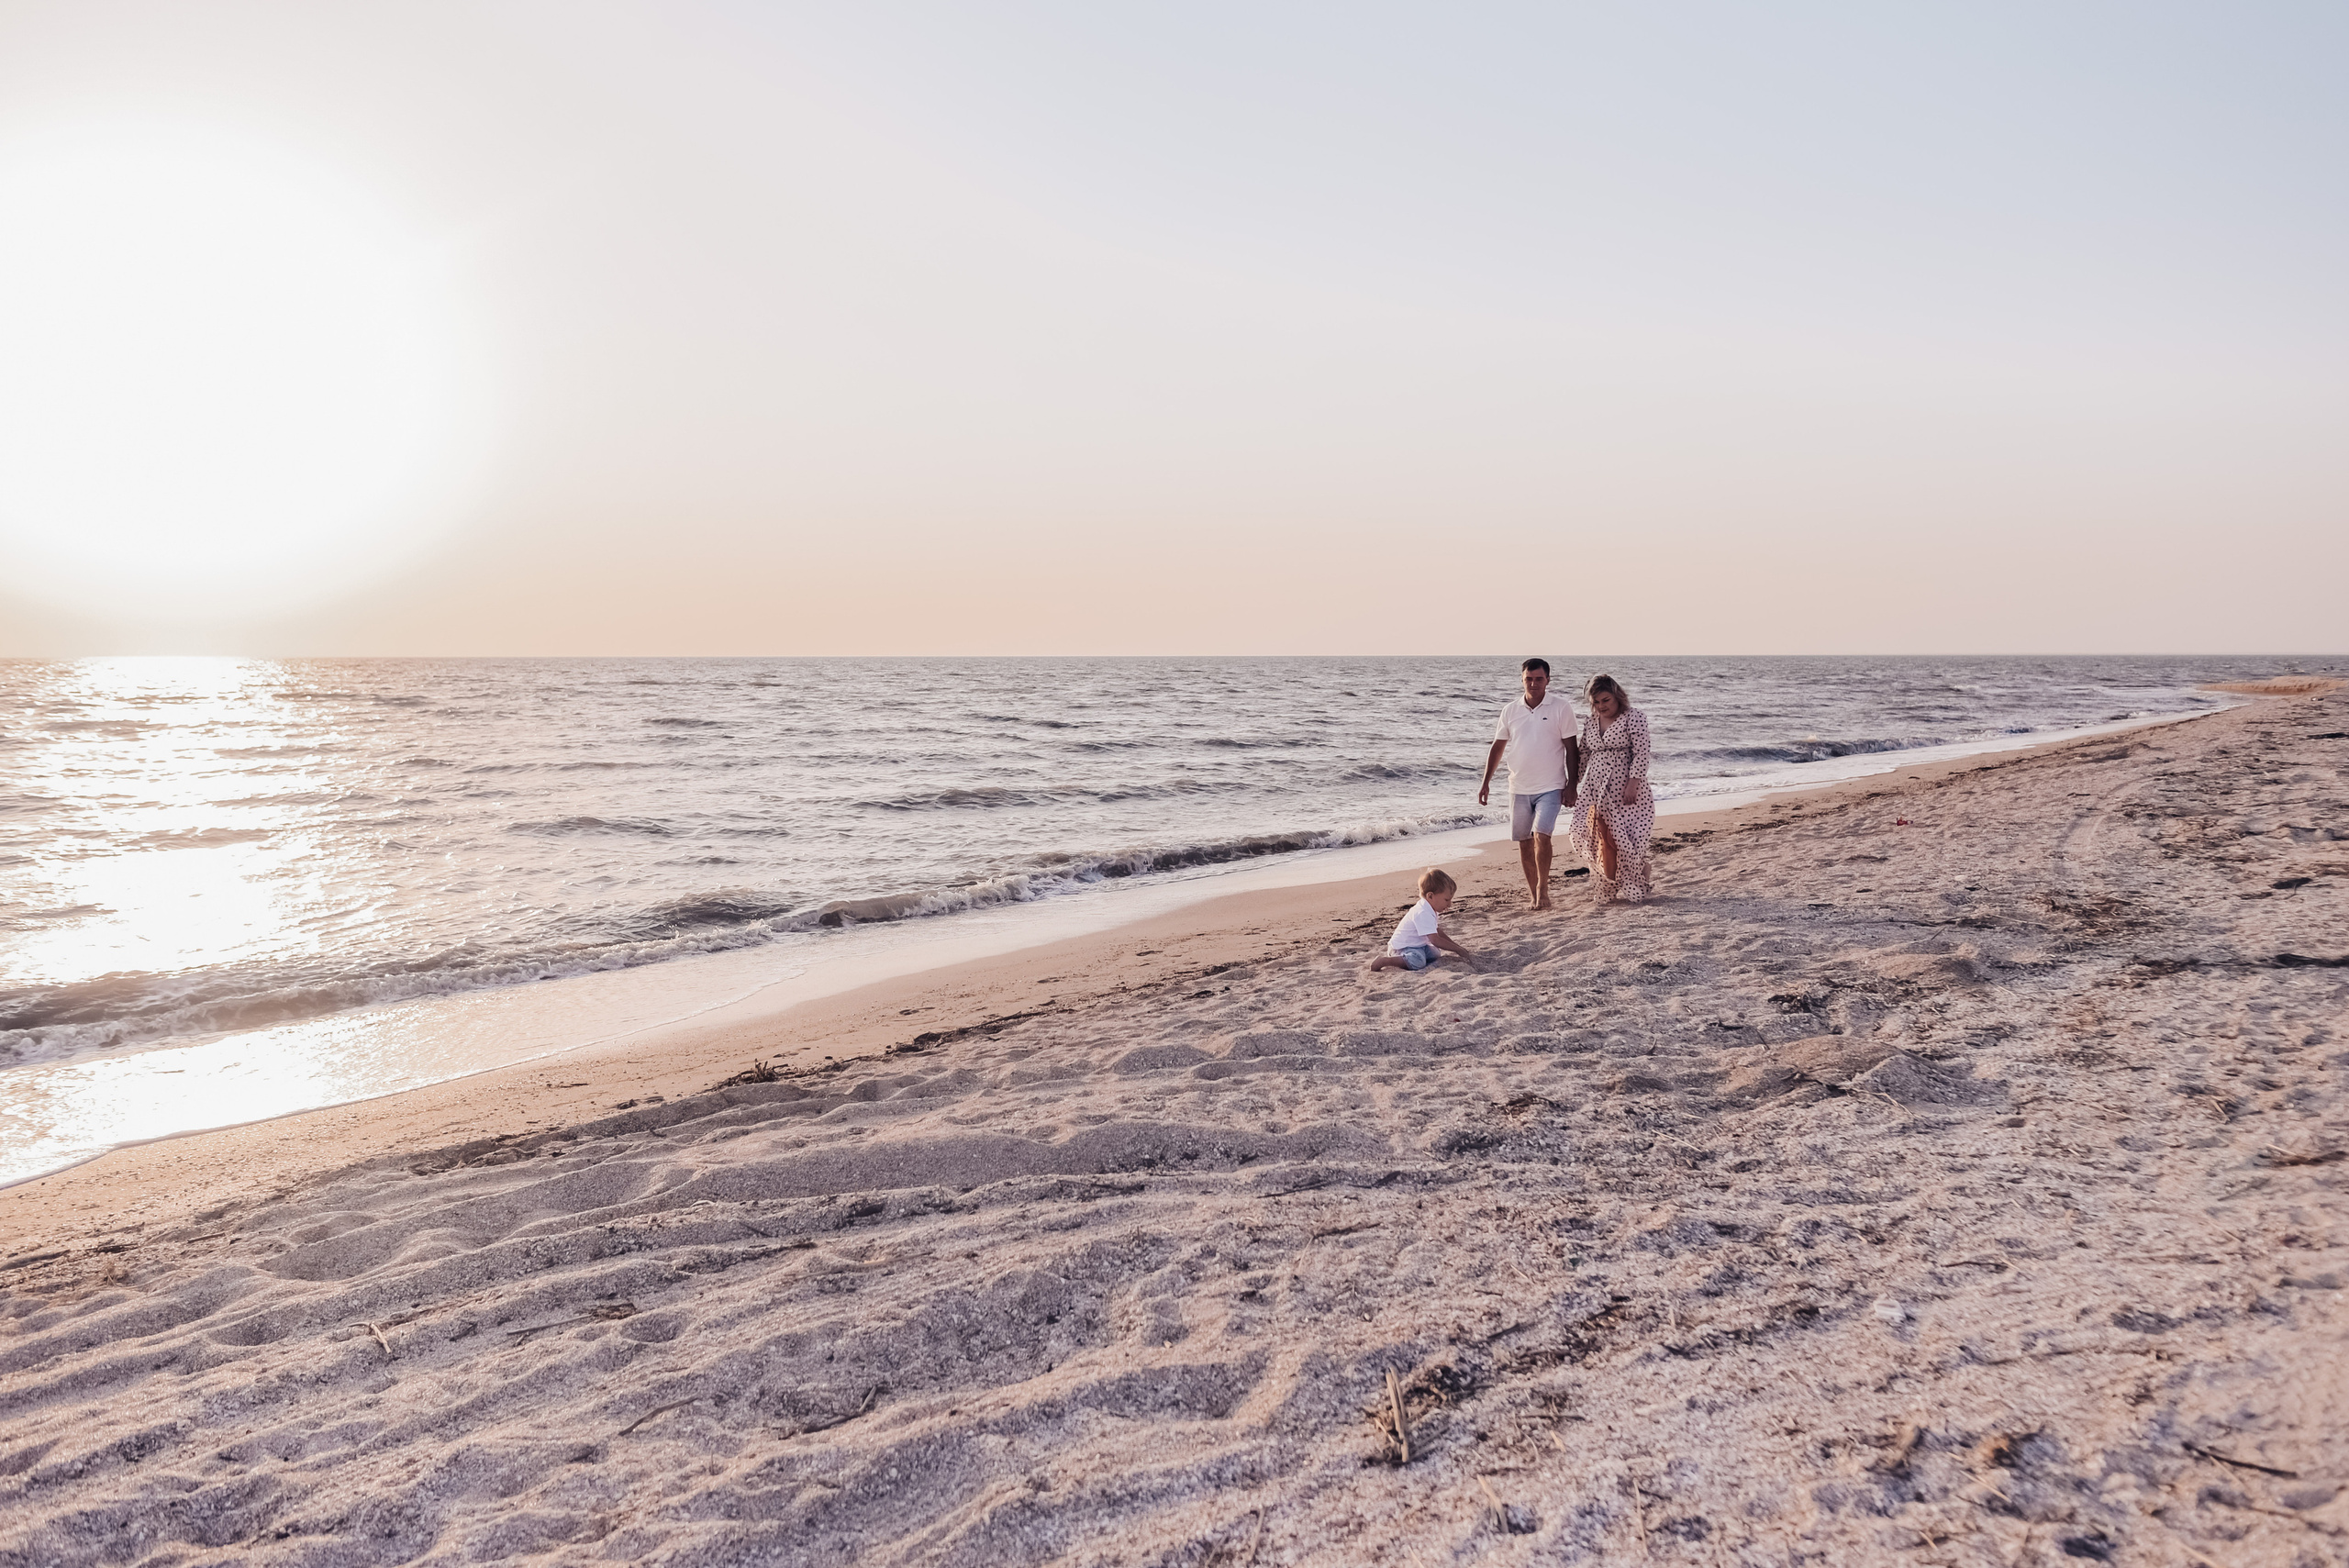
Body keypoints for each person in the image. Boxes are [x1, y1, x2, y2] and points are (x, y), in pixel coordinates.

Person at [1478, 657, 1581, 911]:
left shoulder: (1561, 707)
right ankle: (1532, 892)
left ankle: (1543, 888)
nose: (1533, 684)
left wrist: (1572, 786)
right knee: (1524, 841)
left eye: (1539, 679)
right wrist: (1485, 783)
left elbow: (1572, 749)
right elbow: (1498, 747)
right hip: (1519, 787)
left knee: (1542, 836)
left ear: (1548, 680)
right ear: (1522, 679)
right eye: (1529, 679)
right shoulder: (1510, 710)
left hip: (1551, 785)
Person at [1568, 673, 1654, 903]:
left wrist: (1633, 783)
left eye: (1605, 700)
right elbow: (1584, 753)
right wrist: (1573, 784)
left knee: (1625, 839)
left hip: (1626, 785)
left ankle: (1640, 871)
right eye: (1595, 702)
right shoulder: (1590, 721)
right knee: (1593, 835)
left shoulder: (1633, 717)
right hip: (1595, 787)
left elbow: (1642, 752)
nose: (1601, 706)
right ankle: (1607, 884)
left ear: (1617, 697)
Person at [1367, 868, 1473, 973]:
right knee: (1418, 962)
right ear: (1430, 896)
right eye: (1446, 900)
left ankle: (1414, 956)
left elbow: (1437, 932)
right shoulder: (1422, 912)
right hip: (1402, 948)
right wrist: (1457, 950)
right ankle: (1384, 961)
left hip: (1417, 946)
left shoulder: (1429, 908)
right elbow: (1435, 939)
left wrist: (1457, 947)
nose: (1449, 904)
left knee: (1435, 953)